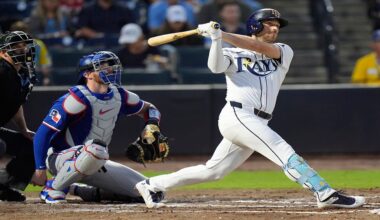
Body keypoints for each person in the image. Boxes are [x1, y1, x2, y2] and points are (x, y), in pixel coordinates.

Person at [135, 8, 366, 209]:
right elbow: (215, 68)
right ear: (255, 25)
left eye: (277, 25)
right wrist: (216, 40)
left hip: (258, 119)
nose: (275, 29)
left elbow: (257, 46)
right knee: (281, 150)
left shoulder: (284, 51)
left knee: (213, 171)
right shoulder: (232, 52)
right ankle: (324, 192)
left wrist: (222, 34)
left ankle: (152, 184)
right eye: (269, 24)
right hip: (238, 114)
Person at [33, 50, 166, 203]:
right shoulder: (76, 98)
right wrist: (40, 168)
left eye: (109, 66)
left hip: (97, 160)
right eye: (101, 67)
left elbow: (151, 109)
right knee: (95, 149)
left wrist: (152, 124)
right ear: (87, 74)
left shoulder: (119, 95)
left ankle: (78, 189)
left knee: (153, 190)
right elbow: (42, 134)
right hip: (61, 158)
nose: (109, 69)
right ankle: (53, 187)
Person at [0, 31, 38, 201]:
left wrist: (24, 130)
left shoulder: (21, 74)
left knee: (32, 146)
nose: (23, 50)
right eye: (16, 47)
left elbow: (16, 104)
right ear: (3, 52)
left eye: (25, 46)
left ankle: (3, 187)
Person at [10, 21, 53, 86]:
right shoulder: (7, 47)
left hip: (34, 77)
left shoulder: (38, 44)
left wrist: (46, 77)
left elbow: (45, 65)